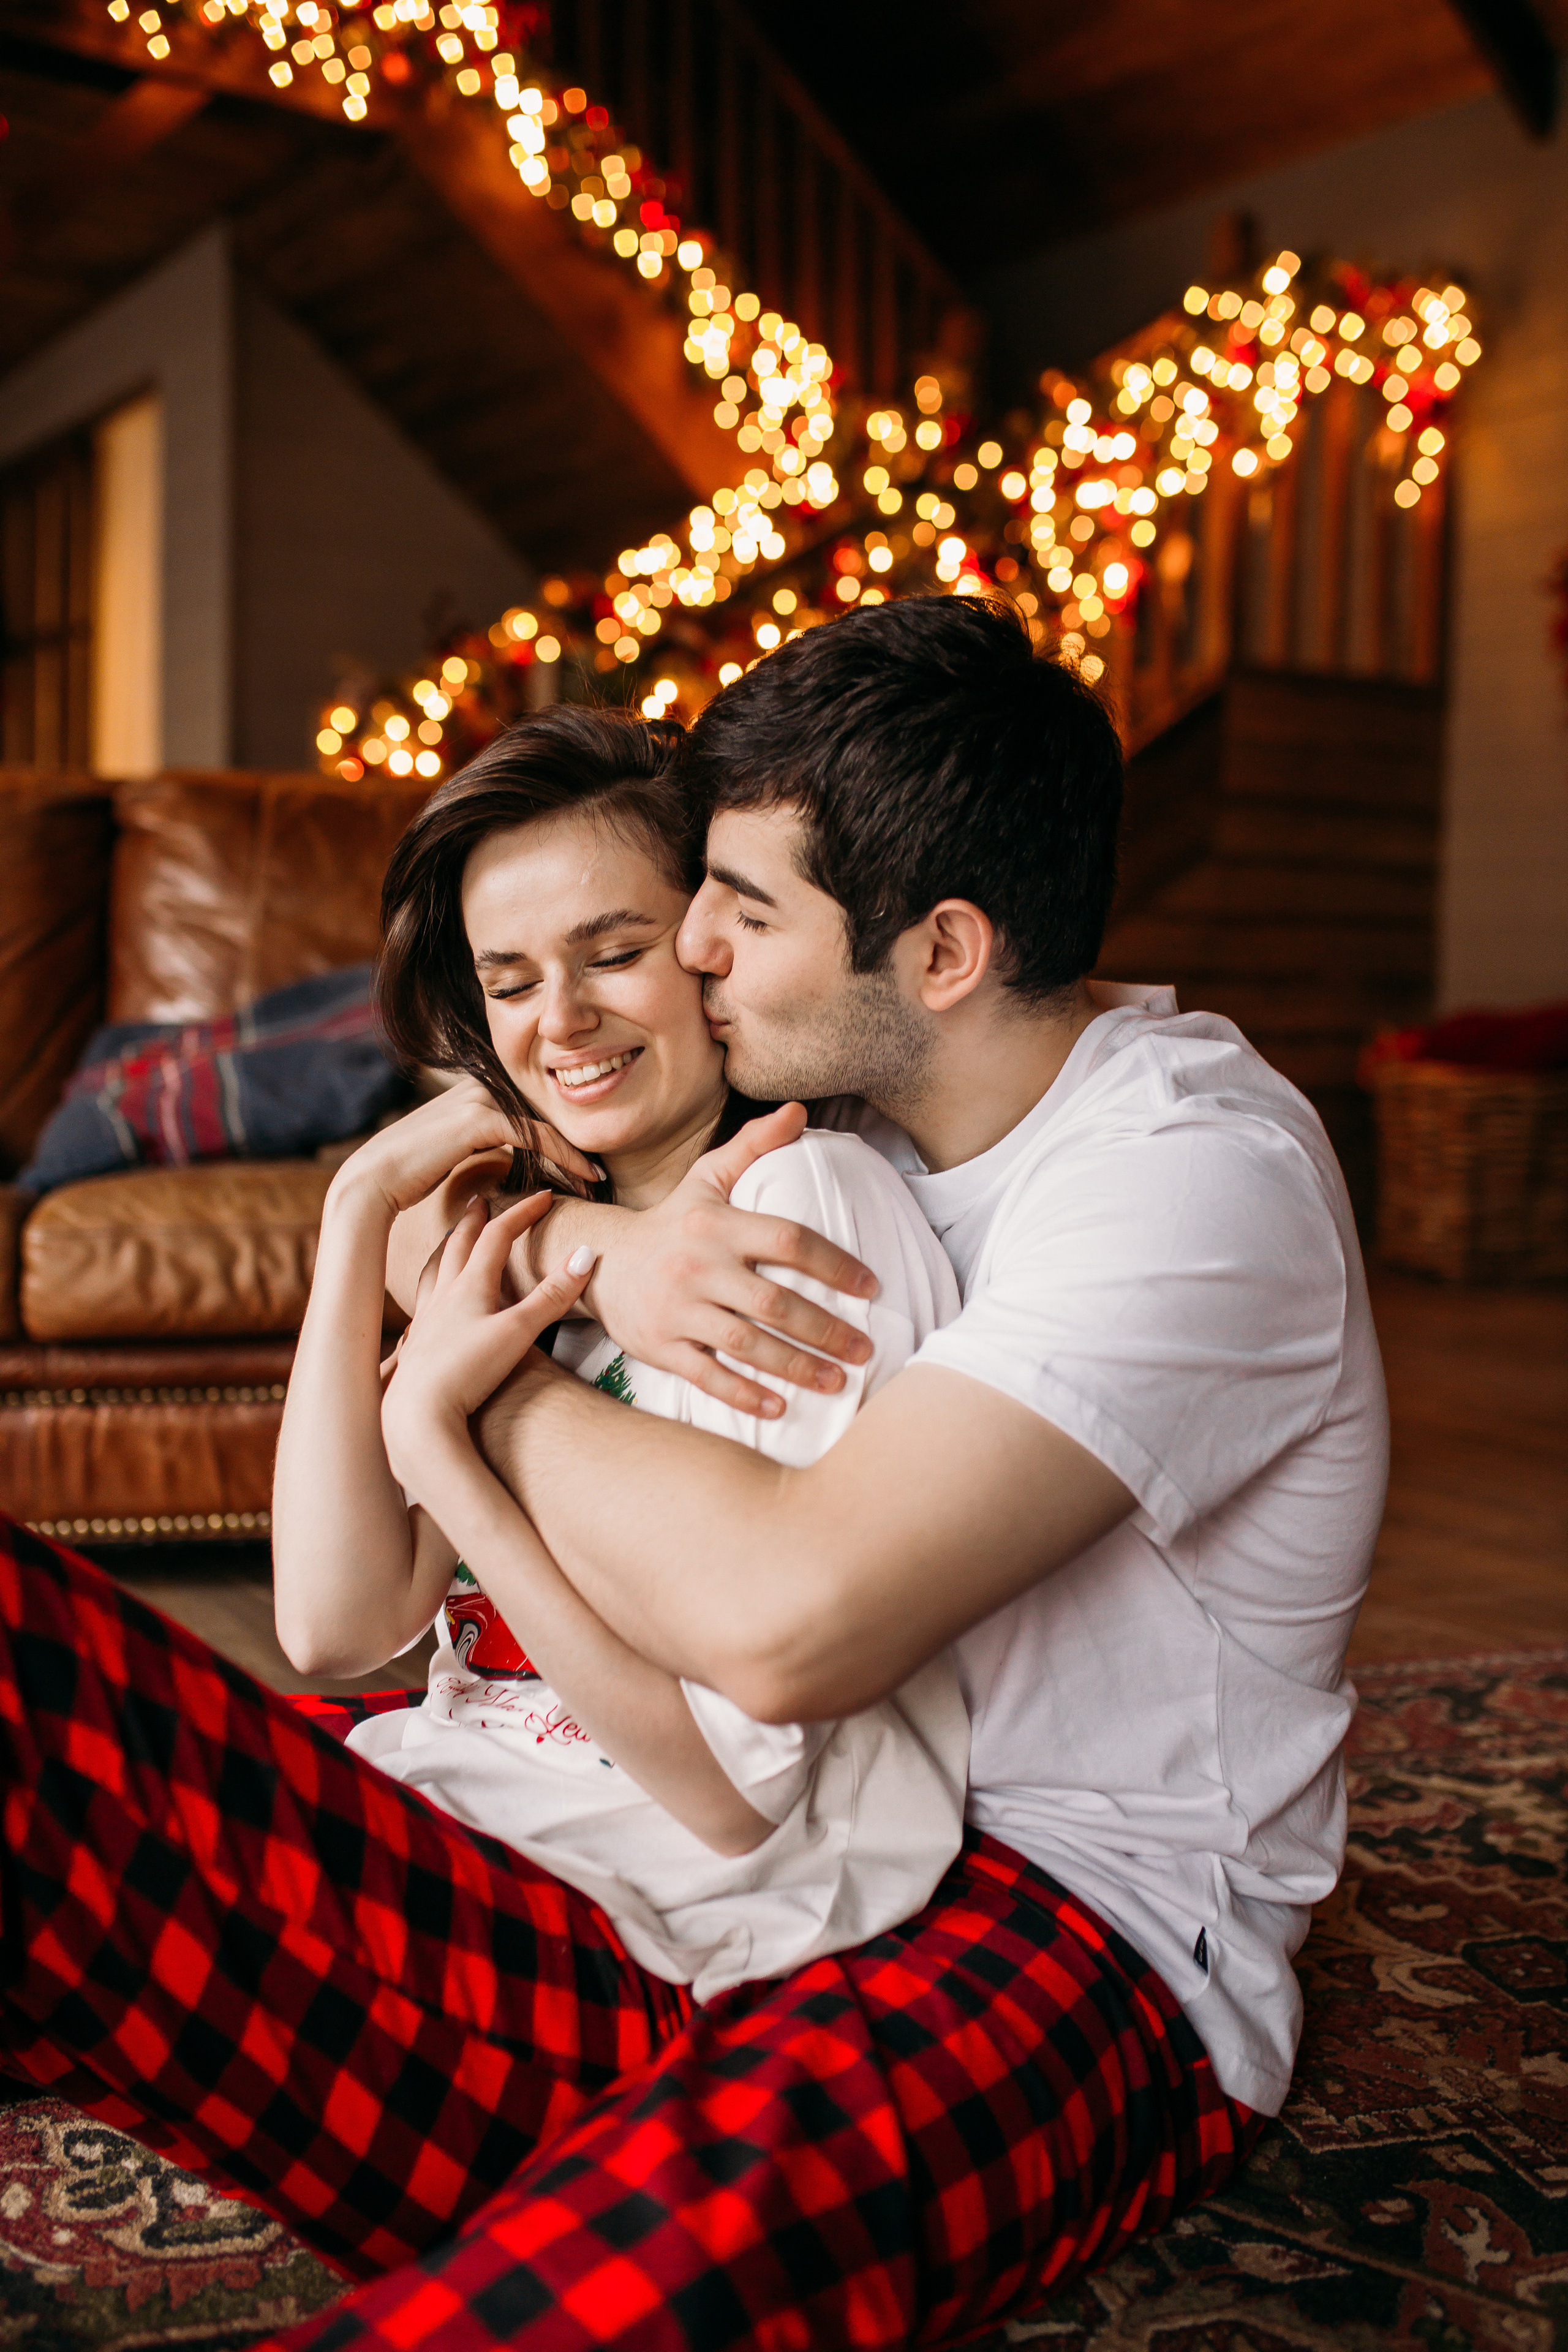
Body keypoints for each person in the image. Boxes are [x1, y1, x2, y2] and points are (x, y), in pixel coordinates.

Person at [271, 707, 968, 2001]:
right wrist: (355, 1213)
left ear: (709, 950)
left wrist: (443, 1440)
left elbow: (730, 1801)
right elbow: (334, 1621)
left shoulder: (798, 1220)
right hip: (457, 1814)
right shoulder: (521, 1238)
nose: (565, 1021)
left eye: (615, 953)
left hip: (649, 1908)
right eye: (512, 980)